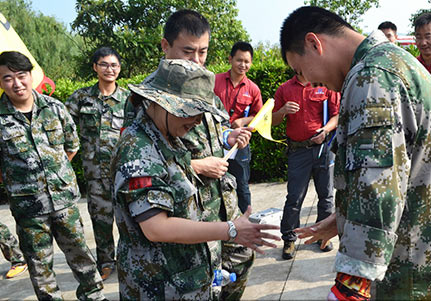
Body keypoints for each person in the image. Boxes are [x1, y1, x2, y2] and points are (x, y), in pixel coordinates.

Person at [281, 6, 431, 300]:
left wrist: (351, 285)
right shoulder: (390, 62)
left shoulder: (372, 77)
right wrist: (342, 219)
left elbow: (378, 186)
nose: (308, 82)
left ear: (314, 43)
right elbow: (404, 171)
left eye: (300, 70)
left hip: (408, 270)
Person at [111, 59, 279, 300]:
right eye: (189, 111)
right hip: (157, 286)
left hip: (183, 280)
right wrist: (230, 229)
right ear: (161, 103)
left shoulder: (168, 138)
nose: (198, 120)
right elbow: (156, 228)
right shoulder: (139, 149)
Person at [124, 10, 257, 300]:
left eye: (203, 52)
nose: (196, 60)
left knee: (233, 266)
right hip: (181, 212)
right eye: (188, 51)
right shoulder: (149, 100)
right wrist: (197, 165)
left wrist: (227, 137)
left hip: (216, 201)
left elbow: (212, 131)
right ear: (165, 46)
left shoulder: (204, 89)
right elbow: (145, 162)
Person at [0, 51, 104, 300]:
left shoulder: (54, 108)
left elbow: (72, 145)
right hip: (28, 210)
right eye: (7, 78)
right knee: (40, 268)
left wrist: (54, 177)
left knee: (83, 259)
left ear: (31, 75)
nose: (17, 83)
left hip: (64, 203)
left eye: (21, 76)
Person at [66, 47, 129, 280]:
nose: (109, 69)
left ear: (119, 68)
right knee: (101, 221)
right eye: (104, 64)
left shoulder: (128, 100)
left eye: (114, 65)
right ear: (95, 67)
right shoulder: (81, 98)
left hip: (123, 172)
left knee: (128, 218)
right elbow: (62, 125)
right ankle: (105, 261)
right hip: (94, 174)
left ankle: (128, 259)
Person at [271, 73, 339, 260]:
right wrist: (283, 110)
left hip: (323, 149)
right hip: (298, 151)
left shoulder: (324, 84)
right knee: (294, 197)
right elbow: (273, 119)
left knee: (326, 196)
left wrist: (326, 130)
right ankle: (289, 239)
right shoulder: (285, 89)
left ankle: (322, 235)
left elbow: (337, 114)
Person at [214, 41, 263, 213]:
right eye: (239, 60)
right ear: (230, 59)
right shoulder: (214, 81)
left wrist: (243, 121)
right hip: (215, 141)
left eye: (247, 61)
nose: (243, 65)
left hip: (240, 143)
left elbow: (260, 117)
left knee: (242, 185)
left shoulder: (253, 89)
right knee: (215, 183)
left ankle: (246, 223)